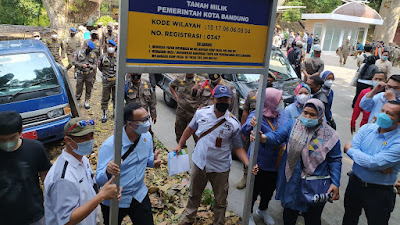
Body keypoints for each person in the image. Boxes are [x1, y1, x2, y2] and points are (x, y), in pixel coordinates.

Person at [250, 98, 341, 225]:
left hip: (315, 184)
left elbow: (335, 159)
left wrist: (335, 182)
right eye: (305, 113)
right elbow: (277, 136)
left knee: (313, 218)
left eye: (312, 114)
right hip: (293, 181)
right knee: (289, 215)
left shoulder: (330, 135)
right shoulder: (293, 125)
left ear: (320, 116)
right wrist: (263, 137)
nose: (307, 117)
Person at [174, 85, 250, 225]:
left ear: (230, 100)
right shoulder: (201, 113)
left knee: (220, 201)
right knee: (194, 195)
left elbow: (238, 147)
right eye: (219, 99)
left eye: (226, 99)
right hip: (199, 163)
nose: (223, 102)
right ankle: (188, 219)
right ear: (213, 99)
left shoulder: (233, 123)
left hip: (220, 168)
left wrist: (247, 162)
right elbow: (190, 128)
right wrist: (180, 144)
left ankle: (218, 222)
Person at [44, 117, 119, 225]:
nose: (89, 140)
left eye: (91, 135)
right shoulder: (64, 178)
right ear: (68, 140)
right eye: (83, 138)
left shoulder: (82, 159)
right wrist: (101, 196)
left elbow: (88, 189)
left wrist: (107, 192)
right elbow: (67, 221)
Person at [96, 103, 161, 225]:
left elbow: (146, 160)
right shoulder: (110, 145)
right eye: (143, 120)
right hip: (115, 199)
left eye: (147, 118)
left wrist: (153, 162)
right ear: (130, 123)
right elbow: (99, 180)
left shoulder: (146, 137)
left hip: (138, 194)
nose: (148, 122)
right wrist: (107, 171)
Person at [342, 101, 400, 225]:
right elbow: (373, 161)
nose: (382, 115)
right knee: (349, 217)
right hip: (355, 183)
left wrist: (350, 150)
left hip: (379, 191)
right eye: (382, 111)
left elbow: (374, 163)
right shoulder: (367, 128)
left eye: (389, 114)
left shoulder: (398, 141)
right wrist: (374, 163)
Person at [242, 88, 288, 225]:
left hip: (277, 162)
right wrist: (250, 126)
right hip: (259, 161)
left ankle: (262, 209)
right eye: (279, 99)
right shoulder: (256, 115)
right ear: (271, 101)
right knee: (254, 189)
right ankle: (248, 212)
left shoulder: (282, 113)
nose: (282, 101)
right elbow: (244, 129)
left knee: (269, 189)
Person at [0, 111, 51, 225]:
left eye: (12, 137)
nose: (7, 142)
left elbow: (46, 178)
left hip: (35, 215)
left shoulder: (35, 148)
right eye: (2, 140)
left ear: (21, 131)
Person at [236, 73, 276, 190]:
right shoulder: (252, 94)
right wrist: (243, 130)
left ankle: (262, 180)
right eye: (266, 80)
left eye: (270, 81)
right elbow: (245, 112)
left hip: (267, 132)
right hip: (251, 129)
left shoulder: (276, 95)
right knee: (248, 152)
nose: (267, 82)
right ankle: (245, 176)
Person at [170, 74, 204, 145]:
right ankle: (182, 155)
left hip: (194, 113)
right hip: (181, 112)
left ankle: (197, 154)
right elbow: (171, 85)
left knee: (198, 138)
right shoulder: (179, 79)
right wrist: (176, 97)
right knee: (179, 137)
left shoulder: (200, 80)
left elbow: (204, 94)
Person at [125, 73, 157, 138]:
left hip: (144, 117)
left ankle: (151, 147)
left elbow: (152, 101)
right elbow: (119, 101)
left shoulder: (147, 84)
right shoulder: (126, 85)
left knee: (148, 135)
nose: (136, 79)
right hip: (132, 118)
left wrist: (153, 114)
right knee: (131, 136)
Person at [73, 40, 98, 109]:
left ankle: (87, 101)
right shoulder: (78, 52)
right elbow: (74, 61)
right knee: (79, 88)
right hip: (80, 73)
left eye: (91, 50)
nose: (89, 50)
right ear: (86, 46)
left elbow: (95, 64)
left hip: (89, 74)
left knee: (89, 88)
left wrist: (91, 66)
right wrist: (81, 65)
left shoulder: (93, 54)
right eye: (89, 49)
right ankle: (77, 101)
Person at [99, 40, 118, 123]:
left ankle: (115, 112)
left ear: (115, 47)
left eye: (112, 46)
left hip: (115, 81)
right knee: (105, 98)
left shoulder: (118, 57)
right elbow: (100, 67)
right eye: (109, 46)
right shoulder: (102, 57)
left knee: (116, 97)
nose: (110, 48)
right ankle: (104, 114)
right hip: (106, 81)